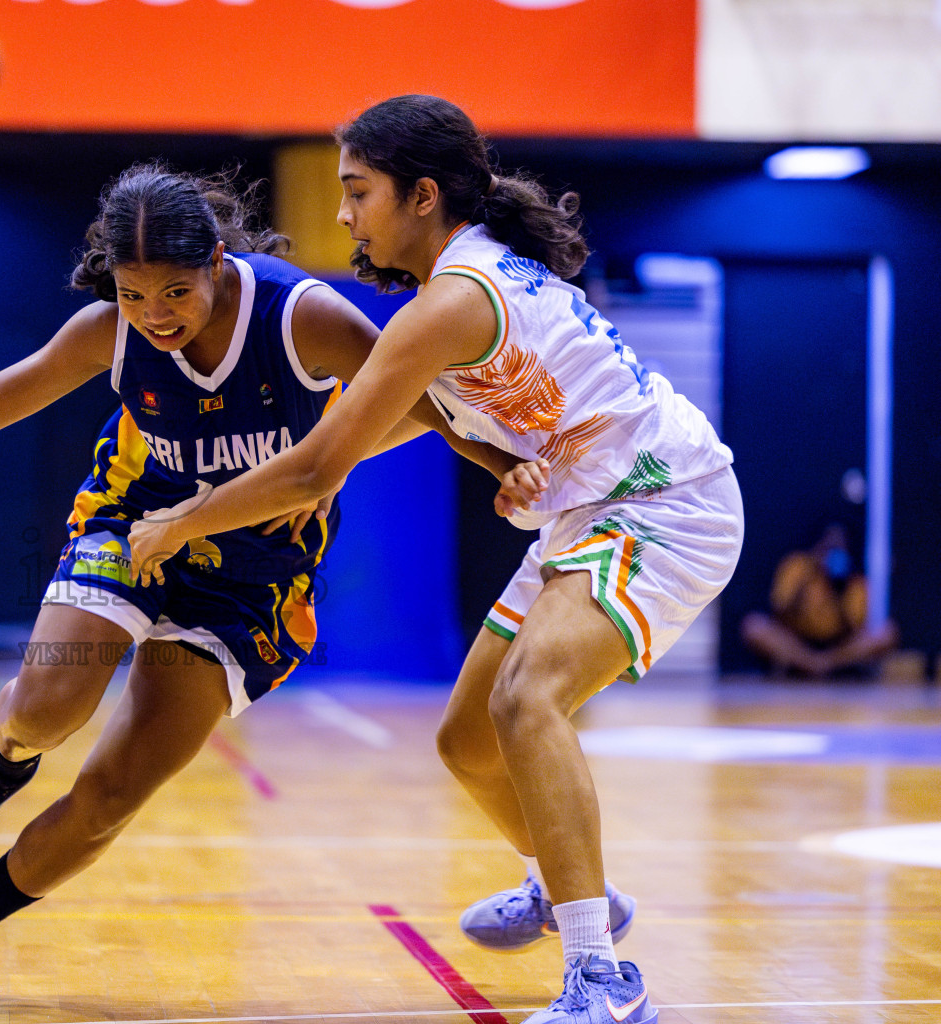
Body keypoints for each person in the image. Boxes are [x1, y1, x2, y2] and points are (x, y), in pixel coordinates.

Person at [0, 162, 540, 1003]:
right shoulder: (112, 331)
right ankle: (2, 756)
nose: (155, 316)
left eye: (174, 292)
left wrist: (500, 464)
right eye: (135, 295)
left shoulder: (302, 317)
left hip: (257, 572)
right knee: (54, 700)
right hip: (134, 521)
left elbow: (418, 400)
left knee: (115, 791)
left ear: (213, 261)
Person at [129, 95, 744, 1024]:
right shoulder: (458, 283)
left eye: (357, 192)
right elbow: (371, 432)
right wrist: (502, 461)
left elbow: (322, 465)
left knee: (527, 699)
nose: (343, 216)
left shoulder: (453, 300)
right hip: (589, 511)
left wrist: (182, 520)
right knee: (467, 739)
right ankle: (568, 886)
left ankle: (602, 976)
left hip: (666, 500)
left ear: (421, 196)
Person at [741, 523, 897, 677]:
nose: (832, 554)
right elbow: (780, 607)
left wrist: (839, 589)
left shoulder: (855, 583)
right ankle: (809, 664)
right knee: (754, 625)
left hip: (836, 649)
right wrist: (808, 577)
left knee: (886, 633)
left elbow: (856, 626)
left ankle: (824, 665)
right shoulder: (797, 566)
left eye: (839, 549)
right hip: (797, 643)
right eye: (829, 547)